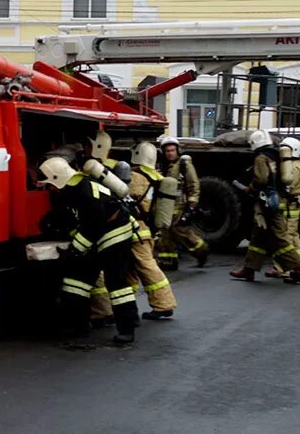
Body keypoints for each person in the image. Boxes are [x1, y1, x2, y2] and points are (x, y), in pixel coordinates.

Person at [39, 156, 139, 344]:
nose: (49, 188)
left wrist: (75, 250)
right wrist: (48, 223)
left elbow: (95, 224)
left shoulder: (84, 189)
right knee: (76, 282)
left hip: (115, 233)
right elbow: (67, 215)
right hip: (96, 237)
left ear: (58, 178)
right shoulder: (70, 190)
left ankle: (127, 327)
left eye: (50, 183)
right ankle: (79, 327)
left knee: (116, 283)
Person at [89, 142, 178, 322]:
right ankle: (124, 308)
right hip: (144, 229)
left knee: (145, 266)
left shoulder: (137, 177)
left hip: (134, 228)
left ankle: (164, 304)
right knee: (128, 270)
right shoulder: (156, 176)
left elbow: (119, 192)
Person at [230, 130, 300, 284]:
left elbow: (262, 178)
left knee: (280, 237)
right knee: (258, 236)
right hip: (275, 200)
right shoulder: (275, 154)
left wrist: (250, 188)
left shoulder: (261, 157)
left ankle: (298, 270)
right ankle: (249, 269)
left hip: (268, 203)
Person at [155, 136, 208, 269]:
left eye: (172, 150)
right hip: (165, 204)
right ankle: (169, 261)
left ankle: (201, 250)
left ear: (178, 150)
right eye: (167, 151)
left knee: (178, 229)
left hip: (180, 203)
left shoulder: (184, 164)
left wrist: (192, 204)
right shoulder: (162, 166)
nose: (170, 153)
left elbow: (193, 184)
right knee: (165, 232)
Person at [265, 137, 300, 279]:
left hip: (288, 209)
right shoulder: (299, 165)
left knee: (284, 239)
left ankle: (282, 269)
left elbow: (286, 185)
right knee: (293, 238)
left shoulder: (290, 168)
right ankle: (298, 265)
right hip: (295, 207)